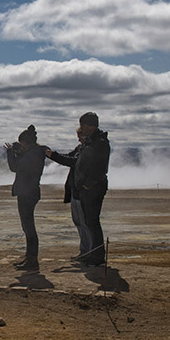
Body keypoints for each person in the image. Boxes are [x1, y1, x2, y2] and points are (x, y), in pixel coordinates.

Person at [47, 112, 111, 266]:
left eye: (83, 125)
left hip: (92, 190)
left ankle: (96, 257)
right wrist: (52, 155)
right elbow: (72, 160)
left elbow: (100, 167)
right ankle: (89, 254)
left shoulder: (99, 143)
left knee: (92, 223)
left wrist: (88, 184)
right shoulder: (88, 144)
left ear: (91, 126)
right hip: (84, 189)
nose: (81, 129)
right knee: (87, 222)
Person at [5, 125, 46, 271]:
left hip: (27, 193)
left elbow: (15, 167)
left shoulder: (33, 155)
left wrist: (11, 153)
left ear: (27, 143)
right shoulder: (34, 153)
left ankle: (32, 260)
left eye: (22, 144)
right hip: (28, 192)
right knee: (27, 227)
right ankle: (29, 257)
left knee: (29, 228)